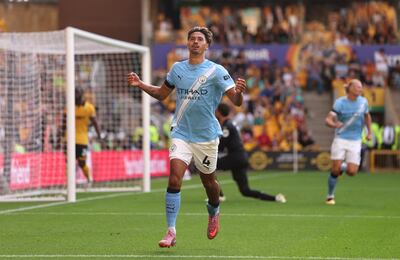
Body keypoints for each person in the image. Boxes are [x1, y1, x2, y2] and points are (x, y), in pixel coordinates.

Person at [127, 26, 246, 248]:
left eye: (200, 39)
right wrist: (140, 84)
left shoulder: (216, 71)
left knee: (209, 183)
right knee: (174, 178)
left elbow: (236, 102)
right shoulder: (177, 69)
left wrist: (239, 92)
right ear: (187, 43)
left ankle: (214, 210)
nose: (195, 42)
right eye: (192, 39)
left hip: (206, 136)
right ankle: (171, 231)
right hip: (181, 132)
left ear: (207, 45)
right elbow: (162, 94)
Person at [201, 102, 286, 203]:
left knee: (207, 166)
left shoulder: (227, 126)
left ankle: (219, 195)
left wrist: (206, 149)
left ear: (219, 112)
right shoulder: (229, 124)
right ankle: (275, 198)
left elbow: (222, 144)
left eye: (216, 111)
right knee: (245, 190)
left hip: (235, 157)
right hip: (240, 157)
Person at [324, 79, 372, 205]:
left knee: (352, 172)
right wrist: (334, 124)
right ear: (349, 88)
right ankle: (330, 195)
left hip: (355, 140)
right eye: (357, 87)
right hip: (340, 138)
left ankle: (342, 167)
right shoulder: (340, 103)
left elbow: (367, 116)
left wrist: (369, 132)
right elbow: (328, 120)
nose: (360, 89)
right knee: (335, 170)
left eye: (361, 87)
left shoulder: (363, 102)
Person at [61, 87, 102, 186]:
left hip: (82, 140)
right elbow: (63, 123)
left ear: (82, 94)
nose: (75, 95)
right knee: (68, 163)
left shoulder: (89, 108)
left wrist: (99, 135)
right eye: (74, 93)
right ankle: (70, 183)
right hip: (69, 139)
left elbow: (95, 122)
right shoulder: (69, 107)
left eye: (77, 93)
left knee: (82, 163)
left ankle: (89, 179)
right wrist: (61, 137)